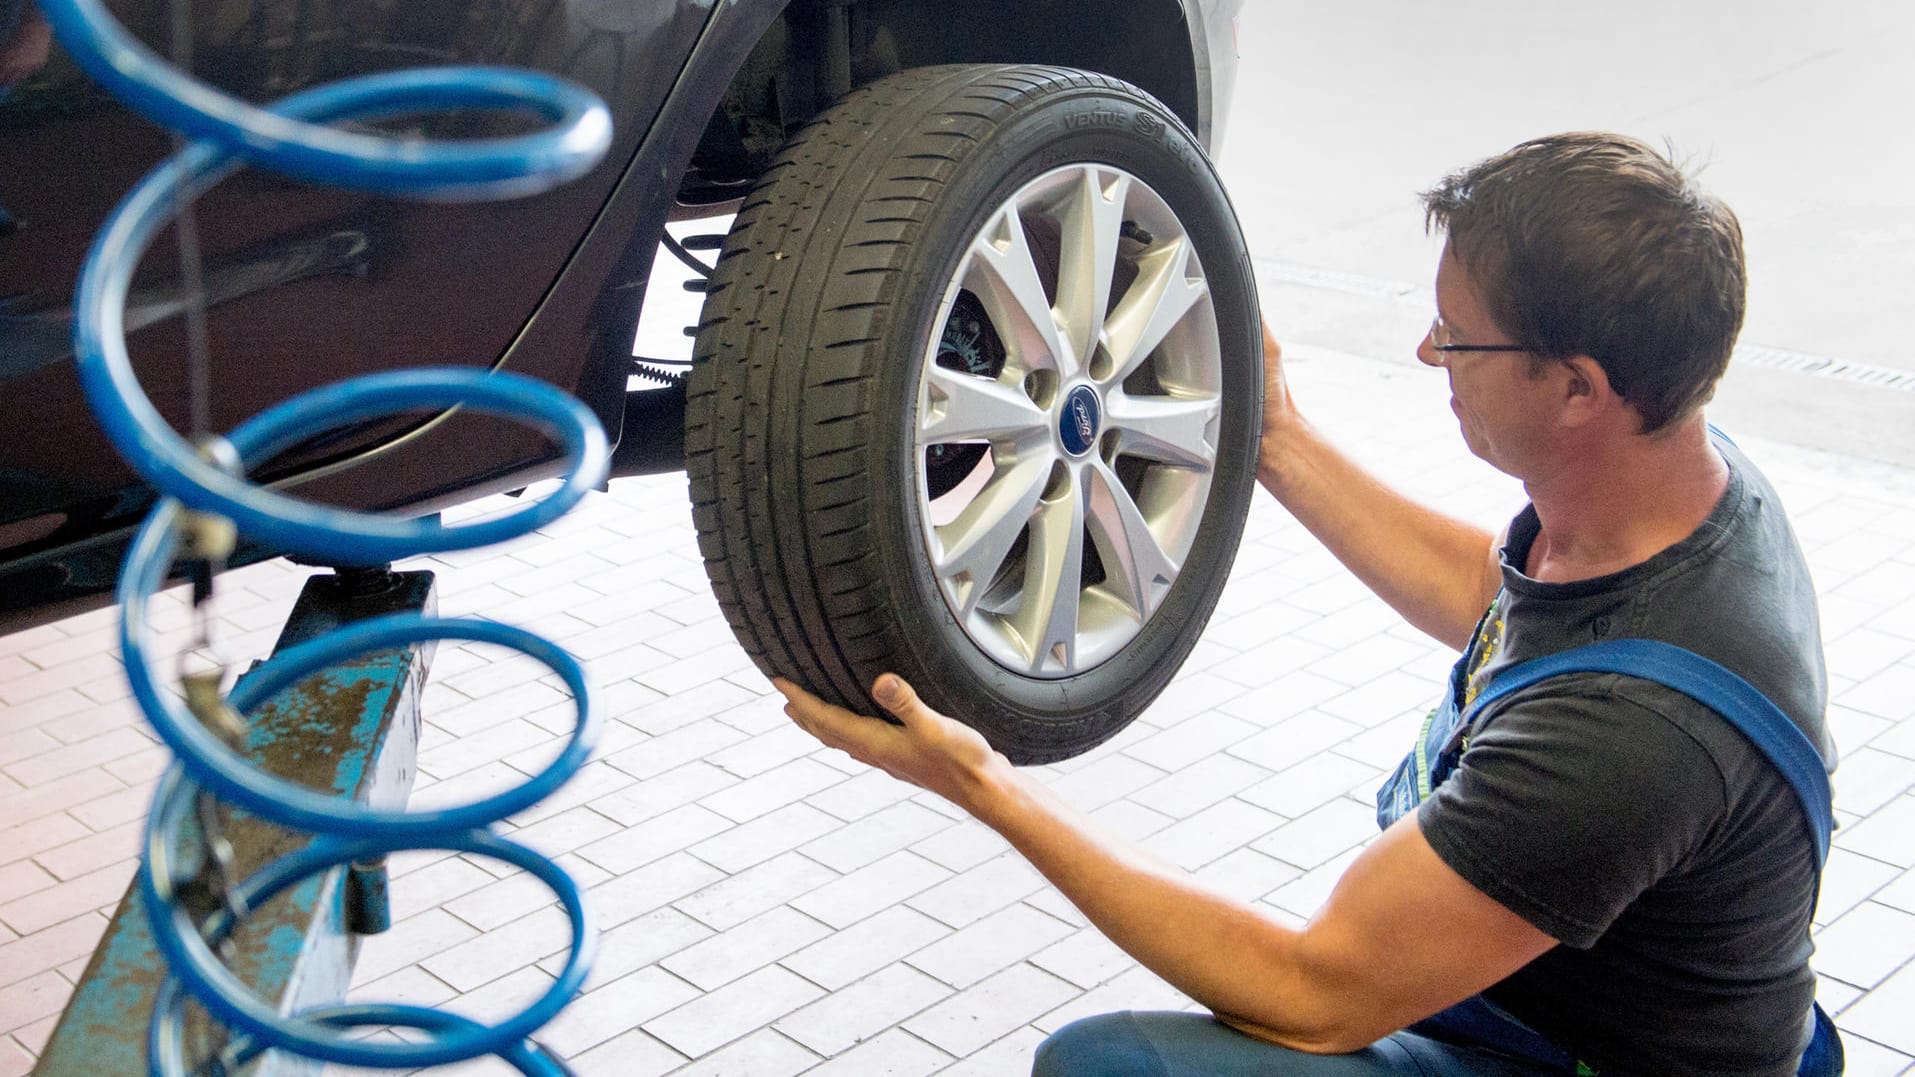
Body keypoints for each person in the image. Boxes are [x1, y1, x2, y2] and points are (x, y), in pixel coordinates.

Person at [775, 132, 1835, 1076]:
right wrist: (1278, 442)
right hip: (1545, 999)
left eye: (1456, 337)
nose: (1428, 355)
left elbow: (1311, 995)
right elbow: (1499, 598)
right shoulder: (1684, 491)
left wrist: (981, 784)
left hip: (1555, 1053)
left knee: (1107, 1068)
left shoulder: (1625, 743)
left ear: (1577, 390)